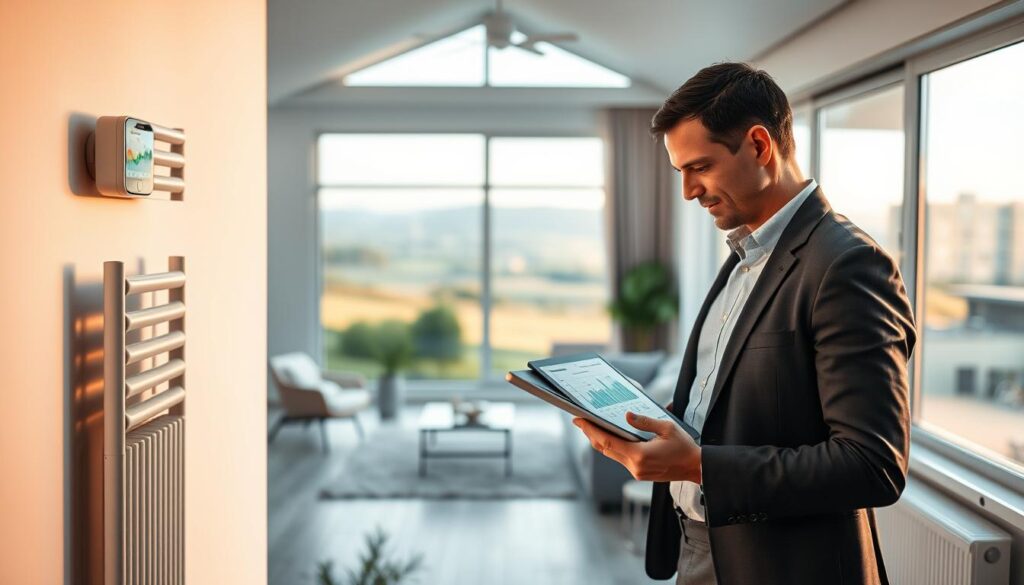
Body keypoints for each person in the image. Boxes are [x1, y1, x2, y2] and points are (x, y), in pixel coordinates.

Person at [572, 62, 916, 585]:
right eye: (680, 171)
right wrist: (672, 424)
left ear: (759, 145)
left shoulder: (848, 265)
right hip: (700, 545)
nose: (689, 191)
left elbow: (872, 465)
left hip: (784, 566)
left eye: (700, 167)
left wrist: (697, 466)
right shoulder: (744, 257)